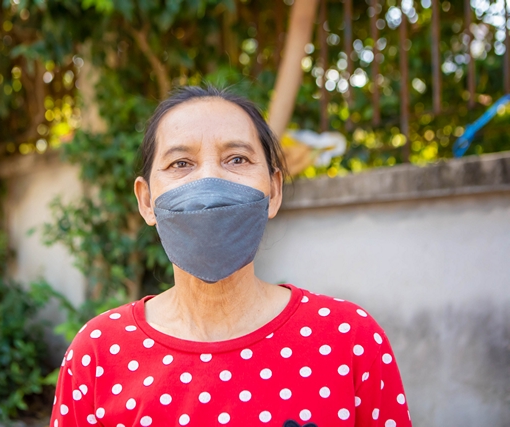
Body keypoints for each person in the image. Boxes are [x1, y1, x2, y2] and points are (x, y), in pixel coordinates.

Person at [50, 86, 412, 427]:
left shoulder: (349, 339)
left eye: (237, 159)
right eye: (180, 163)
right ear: (146, 201)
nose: (209, 182)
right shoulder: (98, 353)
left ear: (273, 191)